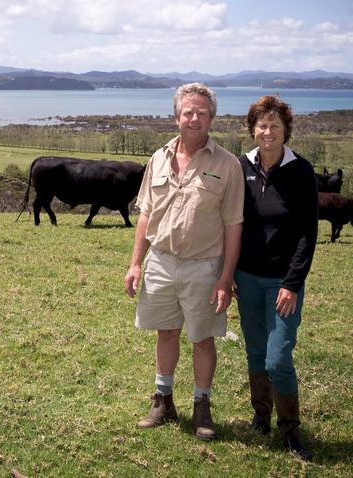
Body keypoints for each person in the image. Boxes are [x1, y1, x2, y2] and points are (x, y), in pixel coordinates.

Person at [124, 83, 244, 440]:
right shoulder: (157, 158)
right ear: (177, 116)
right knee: (166, 331)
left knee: (203, 337)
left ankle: (202, 405)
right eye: (188, 112)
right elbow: (146, 214)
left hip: (204, 265)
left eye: (202, 113)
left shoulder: (227, 164)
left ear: (212, 119)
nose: (195, 118)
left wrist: (225, 277)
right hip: (160, 261)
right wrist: (135, 263)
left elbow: (233, 225)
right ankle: (162, 399)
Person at [234, 95, 318, 460]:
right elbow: (231, 223)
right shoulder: (241, 167)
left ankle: (290, 430)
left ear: (286, 131)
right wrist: (229, 271)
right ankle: (261, 416)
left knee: (277, 358)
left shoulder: (301, 171)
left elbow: (307, 234)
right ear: (253, 129)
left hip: (282, 281)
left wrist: (292, 282)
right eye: (262, 125)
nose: (268, 132)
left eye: (275, 126)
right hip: (246, 277)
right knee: (255, 350)